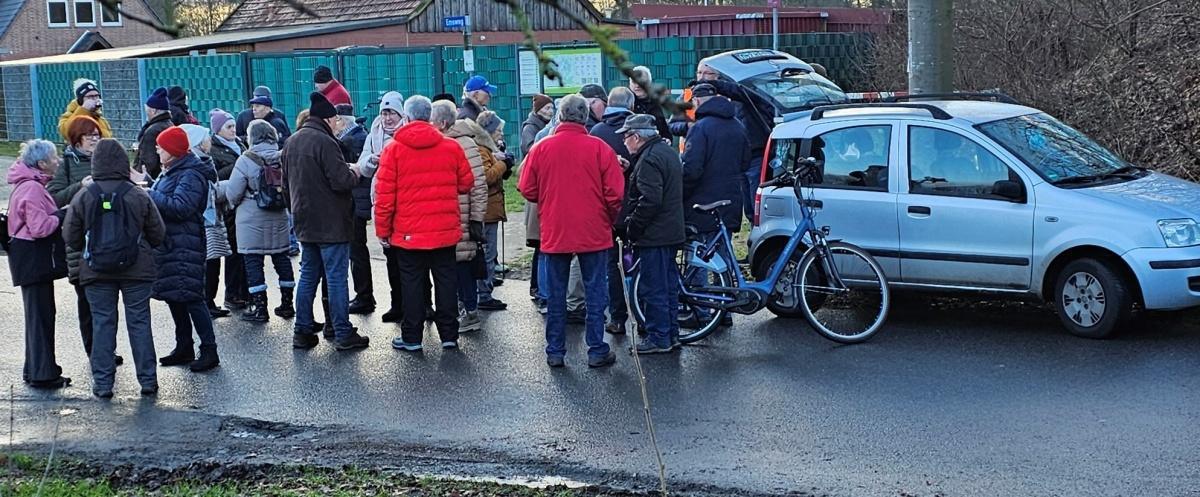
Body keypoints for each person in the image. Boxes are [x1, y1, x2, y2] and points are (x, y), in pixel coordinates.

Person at [518, 94, 623, 369]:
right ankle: (596, 348)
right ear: (585, 116)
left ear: (560, 116)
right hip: (593, 229)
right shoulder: (599, 148)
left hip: (555, 229)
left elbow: (527, 188)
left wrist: (548, 200)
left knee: (556, 294)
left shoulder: (541, 148)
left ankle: (555, 350)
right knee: (595, 291)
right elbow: (615, 194)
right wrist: (607, 218)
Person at [63, 138, 166, 397]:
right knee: (140, 323)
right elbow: (158, 233)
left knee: (102, 324)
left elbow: (70, 235)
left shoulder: (85, 195)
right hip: (137, 269)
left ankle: (103, 383)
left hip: (96, 271)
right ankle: (147, 380)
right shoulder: (136, 194)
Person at [377, 97, 474, 351]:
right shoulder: (451, 147)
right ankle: (450, 335)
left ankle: (411, 337)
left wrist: (382, 231)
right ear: (429, 117)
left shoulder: (393, 149)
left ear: (406, 118)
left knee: (412, 285)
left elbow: (384, 196)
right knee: (446, 282)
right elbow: (466, 183)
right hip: (444, 230)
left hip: (408, 233)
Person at [283, 92, 368, 351]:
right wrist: (355, 172)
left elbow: (285, 185)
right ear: (329, 120)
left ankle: (302, 330)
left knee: (308, 276)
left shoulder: (292, 141)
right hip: (332, 223)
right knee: (336, 278)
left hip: (304, 221)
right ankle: (342, 332)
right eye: (336, 120)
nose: (338, 124)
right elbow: (340, 181)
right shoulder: (325, 142)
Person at [46, 115, 126, 367]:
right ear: (76, 139)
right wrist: (80, 186)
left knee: (108, 303)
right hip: (80, 245)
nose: (94, 138)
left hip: (110, 239)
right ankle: (95, 353)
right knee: (87, 303)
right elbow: (53, 198)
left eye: (97, 134)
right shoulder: (67, 164)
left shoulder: (108, 160)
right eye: (89, 134)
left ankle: (107, 350)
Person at [148, 126, 221, 372]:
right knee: (174, 296)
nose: (157, 149)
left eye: (161, 146)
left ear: (173, 151)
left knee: (191, 297)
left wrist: (148, 194)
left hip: (185, 244)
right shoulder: (170, 171)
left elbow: (181, 207)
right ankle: (184, 346)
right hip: (171, 244)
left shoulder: (190, 174)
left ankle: (209, 350)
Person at [616, 114, 685, 354]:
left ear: (636, 137)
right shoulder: (666, 152)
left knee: (653, 287)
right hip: (671, 230)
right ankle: (671, 334)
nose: (624, 142)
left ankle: (658, 337)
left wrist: (633, 227)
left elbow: (650, 200)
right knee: (668, 287)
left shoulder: (649, 159)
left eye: (625, 137)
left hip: (655, 234)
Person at [7, 139, 71, 389]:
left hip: (27, 260)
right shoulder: (32, 189)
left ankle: (35, 369)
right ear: (42, 164)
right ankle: (43, 373)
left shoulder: (26, 185)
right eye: (54, 157)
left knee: (37, 317)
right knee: (41, 317)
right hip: (34, 261)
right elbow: (40, 228)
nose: (58, 161)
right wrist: (62, 214)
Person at [224, 120, 295, 322]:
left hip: (250, 218)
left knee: (253, 262)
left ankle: (259, 307)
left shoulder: (246, 160)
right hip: (279, 215)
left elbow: (233, 193)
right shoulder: (283, 157)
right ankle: (287, 304)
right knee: (282, 258)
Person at [588, 87, 636, 335]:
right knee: (639, 262)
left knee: (613, 264)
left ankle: (617, 318)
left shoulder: (596, 132)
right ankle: (643, 317)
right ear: (631, 105)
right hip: (635, 208)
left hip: (607, 209)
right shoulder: (636, 132)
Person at [355, 91, 405, 321]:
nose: (387, 119)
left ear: (400, 114)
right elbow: (362, 164)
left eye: (392, 113)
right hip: (382, 200)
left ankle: (423, 303)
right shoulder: (373, 134)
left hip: (404, 201)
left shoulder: (407, 132)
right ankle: (397, 304)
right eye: (384, 113)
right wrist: (371, 161)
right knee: (390, 257)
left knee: (411, 260)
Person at [179, 124, 235, 320]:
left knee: (213, 263)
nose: (209, 141)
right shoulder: (196, 164)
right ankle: (205, 301)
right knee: (208, 264)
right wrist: (233, 187)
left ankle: (209, 301)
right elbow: (206, 193)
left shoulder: (203, 161)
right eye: (206, 139)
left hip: (212, 219)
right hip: (205, 221)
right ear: (198, 143)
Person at [443, 110, 490, 332]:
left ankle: (469, 311)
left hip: (462, 215)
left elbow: (478, 184)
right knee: (456, 264)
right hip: (453, 214)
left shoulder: (463, 144)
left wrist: (475, 217)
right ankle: (462, 309)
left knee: (462, 264)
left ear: (443, 122)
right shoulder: (452, 141)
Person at [681, 84, 748, 236]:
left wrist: (681, 194)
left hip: (702, 207)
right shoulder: (738, 126)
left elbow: (692, 170)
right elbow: (745, 162)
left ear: (696, 102)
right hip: (731, 202)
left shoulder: (699, 128)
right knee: (724, 254)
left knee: (704, 256)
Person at [209, 109, 250, 313]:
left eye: (234, 126)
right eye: (229, 127)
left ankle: (244, 292)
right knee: (232, 251)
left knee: (243, 251)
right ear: (218, 130)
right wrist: (238, 168)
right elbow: (214, 177)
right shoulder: (213, 149)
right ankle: (232, 294)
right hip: (227, 206)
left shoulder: (240, 144)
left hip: (243, 203)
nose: (234, 130)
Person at [334, 104, 373, 315]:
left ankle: (364, 296)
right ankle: (364, 295)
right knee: (357, 250)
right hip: (360, 201)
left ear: (341, 120)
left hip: (357, 202)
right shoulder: (358, 136)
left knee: (357, 251)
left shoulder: (350, 141)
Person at [474, 111, 510, 312]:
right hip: (486, 209)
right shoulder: (481, 150)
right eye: (498, 131)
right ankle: (484, 294)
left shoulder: (488, 149)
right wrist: (503, 163)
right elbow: (486, 177)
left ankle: (484, 291)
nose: (501, 135)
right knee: (487, 253)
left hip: (490, 207)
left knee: (488, 253)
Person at [520, 94, 552, 307]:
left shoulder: (544, 127)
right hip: (538, 198)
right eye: (547, 107)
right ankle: (540, 290)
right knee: (541, 248)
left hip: (538, 197)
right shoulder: (532, 128)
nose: (550, 111)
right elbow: (530, 149)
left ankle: (539, 288)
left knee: (541, 247)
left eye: (552, 107)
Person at [137, 87, 173, 179]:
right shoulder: (171, 125)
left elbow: (147, 162)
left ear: (153, 111)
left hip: (153, 179)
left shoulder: (152, 131)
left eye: (146, 109)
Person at [628, 66, 672, 139]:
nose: (637, 85)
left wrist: (667, 140)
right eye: (634, 81)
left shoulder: (656, 103)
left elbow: (665, 132)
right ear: (630, 84)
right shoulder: (626, 103)